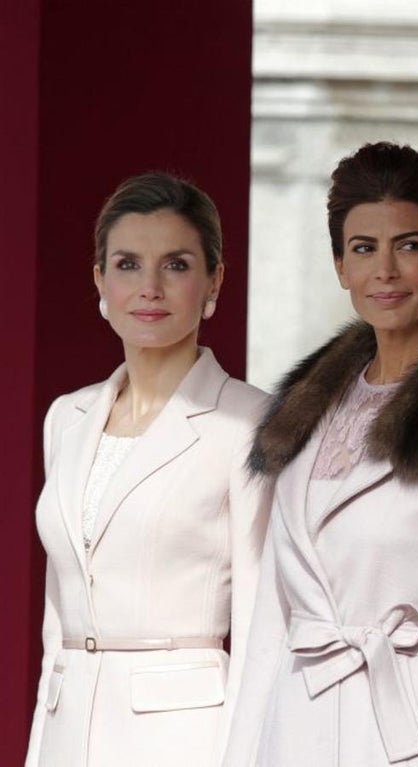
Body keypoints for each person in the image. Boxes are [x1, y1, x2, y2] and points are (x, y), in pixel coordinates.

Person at [223, 142, 418, 767]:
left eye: (410, 245)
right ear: (341, 267)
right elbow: (270, 628)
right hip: (299, 733)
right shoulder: (304, 414)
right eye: (364, 248)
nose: (386, 271)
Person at [26, 173, 272, 766]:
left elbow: (262, 625)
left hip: (186, 739)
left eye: (177, 265)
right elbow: (57, 621)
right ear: (100, 281)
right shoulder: (67, 417)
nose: (150, 288)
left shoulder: (250, 421)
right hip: (65, 733)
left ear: (214, 281)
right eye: (128, 264)